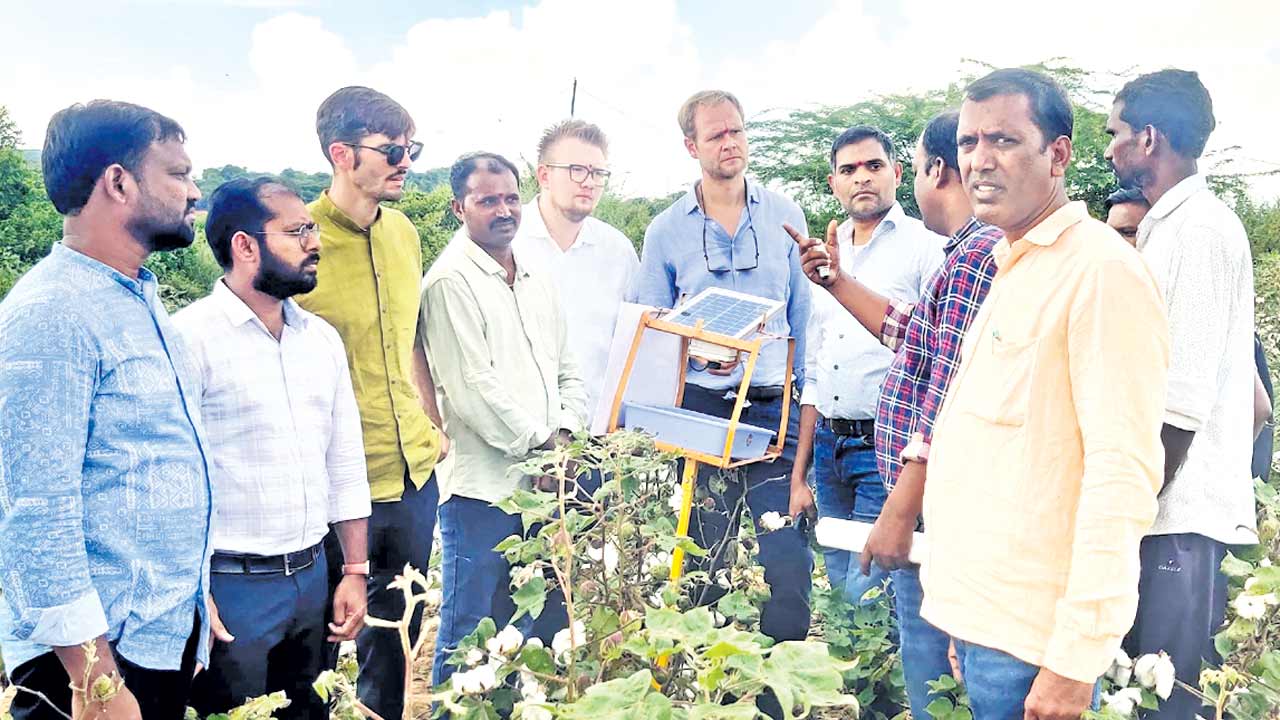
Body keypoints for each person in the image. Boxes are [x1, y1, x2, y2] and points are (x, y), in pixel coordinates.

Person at [924, 68, 1169, 719]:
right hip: (987, 622)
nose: (979, 160)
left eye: (1003, 140)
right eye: (969, 142)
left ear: (1058, 154)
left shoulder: (1100, 271)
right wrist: (964, 615)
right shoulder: (1015, 263)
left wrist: (1074, 661)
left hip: (1036, 646)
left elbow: (1121, 474)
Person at [791, 109, 1006, 718]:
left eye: (888, 166)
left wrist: (901, 510)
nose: (864, 178)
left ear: (934, 171)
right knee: (897, 628)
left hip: (921, 492)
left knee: (925, 649)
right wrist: (836, 282)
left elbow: (943, 394)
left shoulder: (966, 255)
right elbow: (914, 335)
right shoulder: (967, 252)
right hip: (862, 459)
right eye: (848, 169)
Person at [0, 100, 211, 719]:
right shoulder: (52, 314)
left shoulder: (138, 298)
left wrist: (192, 599)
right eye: (178, 174)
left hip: (151, 639)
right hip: (92, 663)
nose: (194, 192)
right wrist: (96, 680)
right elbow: (34, 510)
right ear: (118, 183)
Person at [175, 178, 372, 719]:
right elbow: (172, 479)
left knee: (311, 711)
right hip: (231, 587)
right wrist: (194, 591)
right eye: (297, 231)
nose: (315, 242)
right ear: (245, 246)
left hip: (314, 577)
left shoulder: (320, 339)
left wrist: (354, 569)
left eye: (312, 228)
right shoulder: (189, 339)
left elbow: (344, 460)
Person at [630, 90, 814, 661]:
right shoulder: (665, 230)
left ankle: (780, 689)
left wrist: (805, 404)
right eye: (716, 135)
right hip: (703, 410)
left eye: (737, 131)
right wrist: (697, 356)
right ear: (692, 146)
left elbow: (805, 317)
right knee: (704, 557)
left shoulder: (785, 215)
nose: (730, 143)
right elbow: (651, 329)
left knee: (786, 559)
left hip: (772, 409)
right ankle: (712, 686)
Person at [1105, 69, 1256, 719]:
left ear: (1149, 137)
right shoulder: (1167, 228)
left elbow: (1181, 403)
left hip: (1175, 517)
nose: (1109, 149)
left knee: (1164, 703)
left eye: (1114, 133)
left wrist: (1127, 512)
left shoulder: (1199, 230)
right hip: (1159, 512)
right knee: (1131, 694)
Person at [296, 86, 446, 718]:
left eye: (413, 149)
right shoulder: (299, 239)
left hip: (410, 472)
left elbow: (408, 337)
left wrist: (432, 421)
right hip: (334, 485)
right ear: (342, 154)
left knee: (395, 641)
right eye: (392, 150)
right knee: (318, 649)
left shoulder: (404, 233)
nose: (405, 162)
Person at [422, 152, 587, 687]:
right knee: (470, 634)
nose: (503, 210)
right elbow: (473, 389)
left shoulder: (536, 275)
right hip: (482, 494)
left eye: (511, 198)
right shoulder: (450, 281)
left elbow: (569, 369)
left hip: (545, 487)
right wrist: (543, 449)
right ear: (459, 208)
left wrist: (565, 436)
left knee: (531, 629)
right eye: (487, 200)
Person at [787, 125, 944, 606]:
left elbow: (936, 357)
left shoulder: (925, 246)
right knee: (840, 590)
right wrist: (800, 475)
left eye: (874, 166)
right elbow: (815, 370)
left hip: (888, 447)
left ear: (897, 172)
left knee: (868, 593)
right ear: (833, 182)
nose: (862, 178)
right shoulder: (823, 254)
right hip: (830, 447)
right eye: (849, 169)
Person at [512, 119, 639, 429]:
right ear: (544, 175)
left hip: (595, 434)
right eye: (576, 170)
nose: (589, 182)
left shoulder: (618, 251)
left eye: (598, 173)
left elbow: (636, 344)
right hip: (516, 431)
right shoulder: (507, 239)